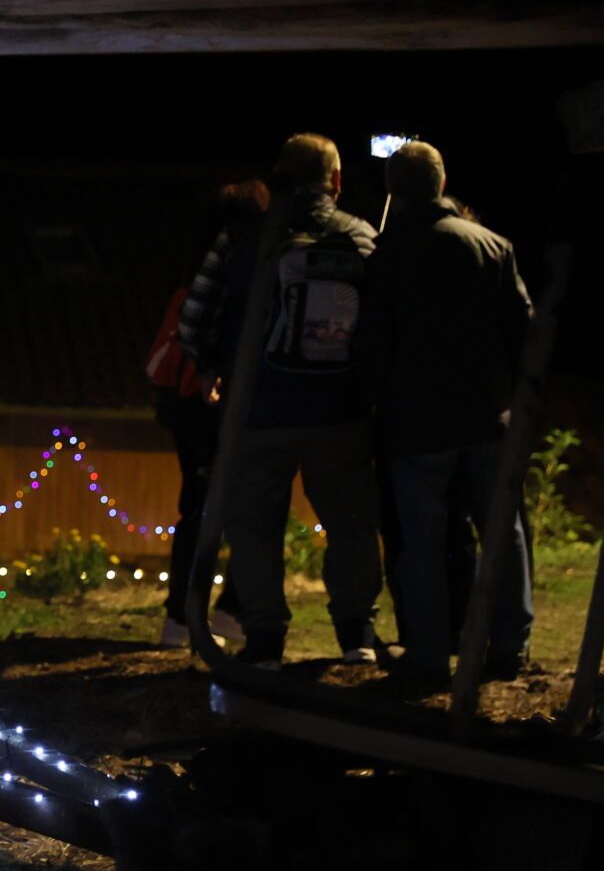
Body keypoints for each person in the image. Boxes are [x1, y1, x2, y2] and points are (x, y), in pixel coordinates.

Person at [178, 133, 382, 669]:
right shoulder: (363, 238)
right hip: (341, 412)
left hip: (258, 408)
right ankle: (356, 634)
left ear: (279, 176)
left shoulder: (244, 236)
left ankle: (265, 640)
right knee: (350, 523)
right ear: (336, 181)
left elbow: (194, 316)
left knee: (255, 526)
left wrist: (208, 368)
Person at [364, 142, 534, 680]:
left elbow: (373, 340)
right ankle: (509, 647)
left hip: (416, 420)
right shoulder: (492, 245)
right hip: (487, 414)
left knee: (422, 543)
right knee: (502, 530)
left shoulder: (388, 253)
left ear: (394, 191)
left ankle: (429, 655)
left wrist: (373, 403)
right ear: (441, 183)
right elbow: (524, 330)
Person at [145, 181, 257, 648]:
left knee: (201, 505)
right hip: (209, 402)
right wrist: (214, 374)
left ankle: (188, 613)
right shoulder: (235, 264)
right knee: (235, 504)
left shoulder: (195, 264)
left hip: (184, 404)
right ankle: (212, 611)